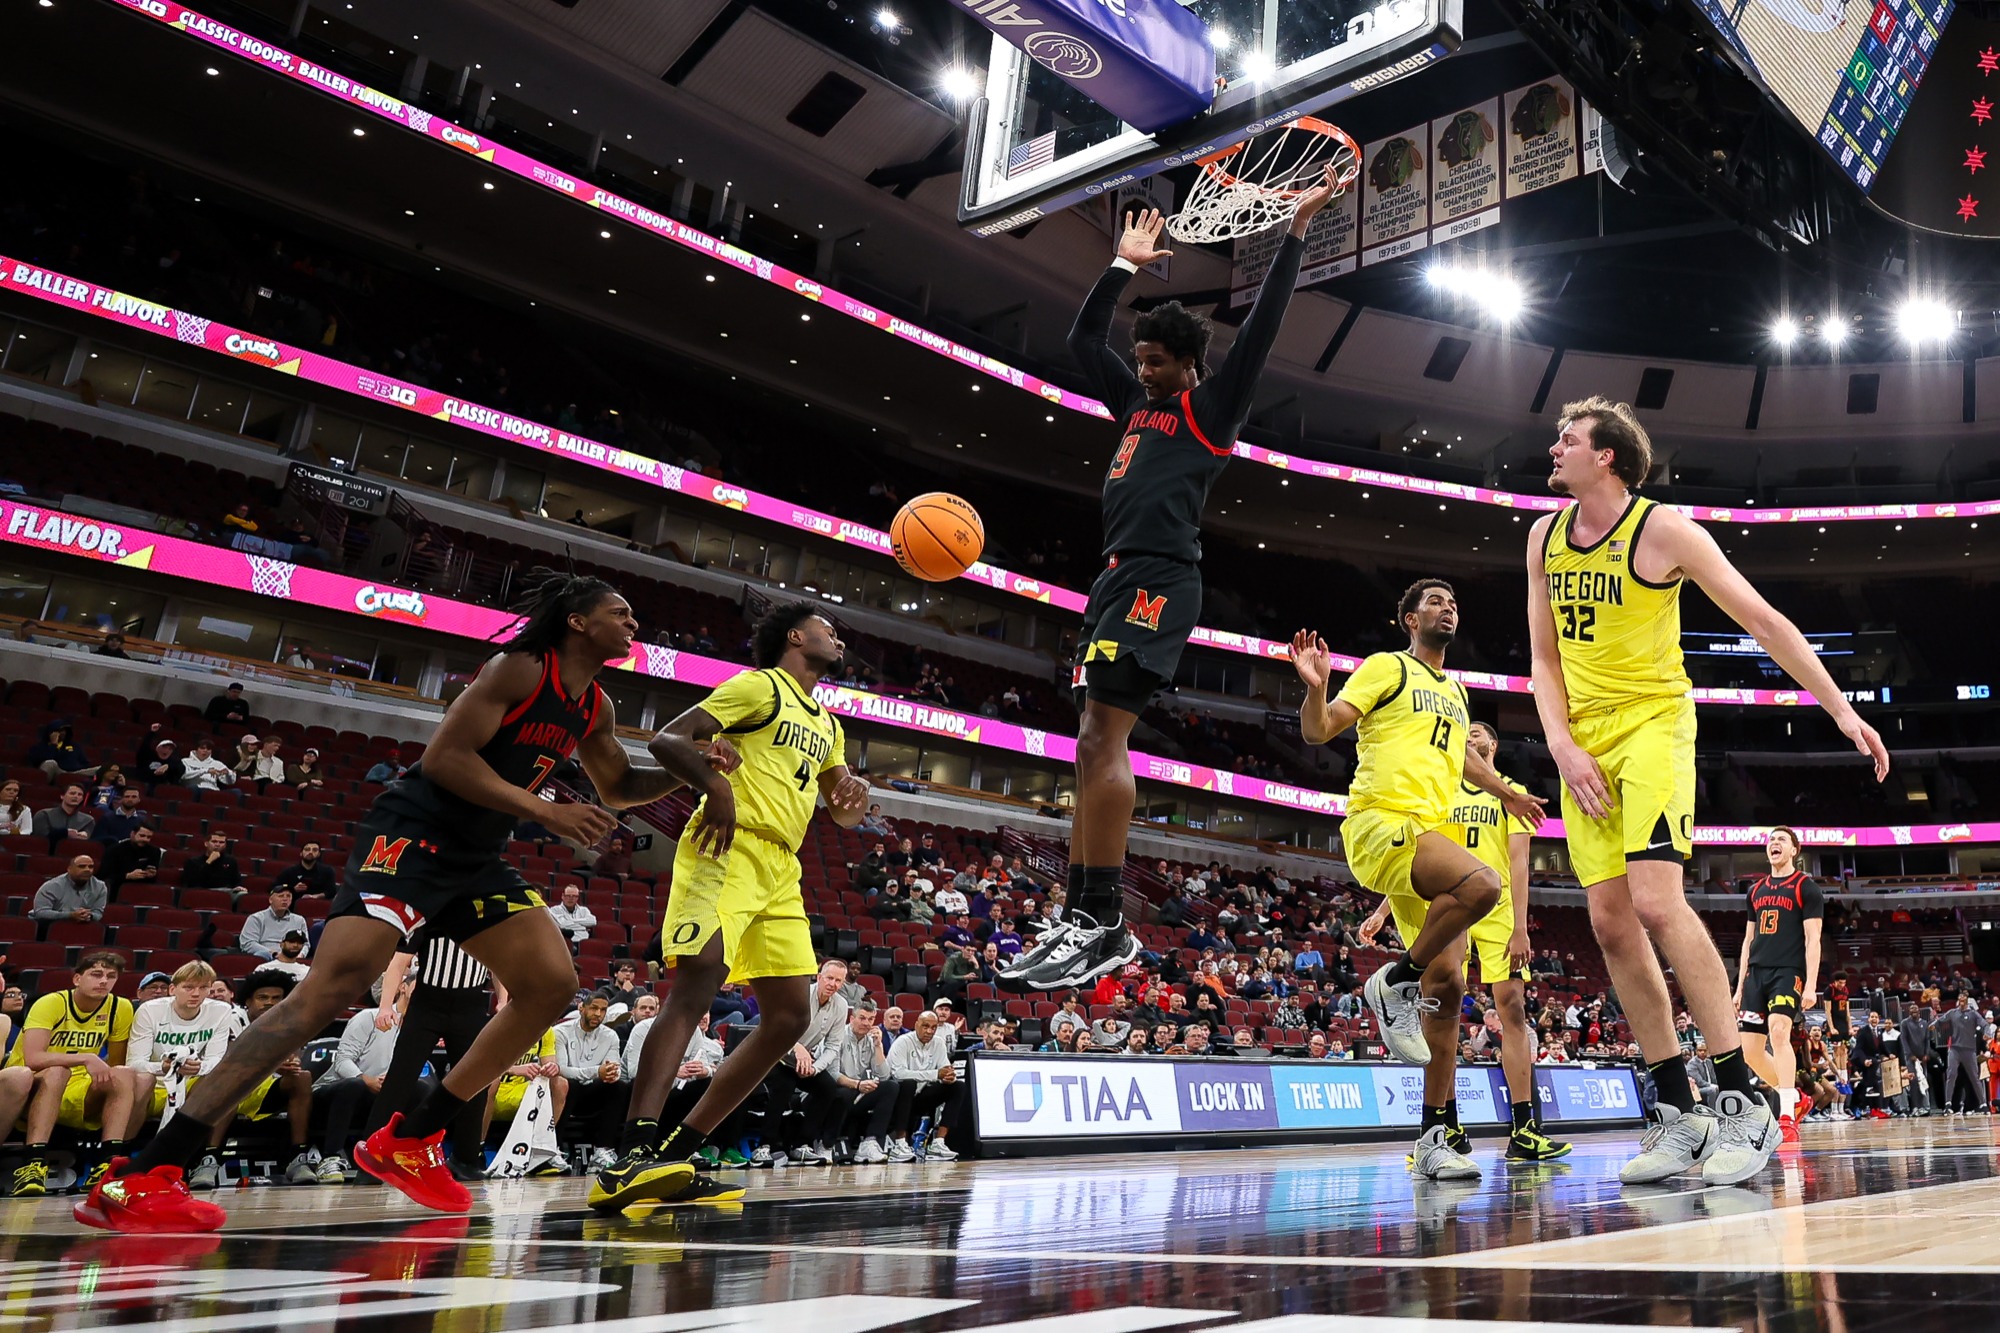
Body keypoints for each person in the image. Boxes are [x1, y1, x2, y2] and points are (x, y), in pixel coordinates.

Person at [77, 568, 726, 1233]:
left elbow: (617, 785)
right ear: (579, 621)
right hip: (413, 835)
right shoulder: (519, 668)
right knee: (331, 989)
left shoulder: (595, 705)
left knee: (549, 983)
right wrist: (545, 809)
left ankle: (412, 1138)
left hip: (474, 857)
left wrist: (693, 767)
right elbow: (445, 758)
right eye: (620, 611)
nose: (633, 622)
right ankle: (146, 1171)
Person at [1525, 397, 1886, 1187]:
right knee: (1610, 921)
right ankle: (1676, 1110)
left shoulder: (1665, 531)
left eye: (1569, 439)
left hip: (1654, 725)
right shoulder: (1543, 536)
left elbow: (1763, 619)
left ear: (1608, 458)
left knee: (1656, 901)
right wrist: (1561, 743)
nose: (1554, 448)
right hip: (1581, 742)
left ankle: (1742, 1097)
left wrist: (1840, 707)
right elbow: (1544, 660)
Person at [1005, 186, 1338, 994]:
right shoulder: (1131, 403)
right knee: (1086, 745)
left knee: (1099, 742)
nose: (1145, 370)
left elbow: (1259, 333)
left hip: (1160, 579)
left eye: (1158, 361)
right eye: (1143, 359)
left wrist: (1291, 236)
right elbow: (1086, 335)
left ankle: (1101, 920)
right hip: (1114, 578)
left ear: (1189, 365)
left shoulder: (1208, 409)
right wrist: (1121, 265)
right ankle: (1085, 917)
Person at [590, 604, 869, 1211]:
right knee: (696, 986)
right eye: (827, 628)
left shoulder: (829, 724)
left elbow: (842, 810)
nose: (837, 637)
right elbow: (668, 739)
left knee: (791, 1015)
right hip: (727, 845)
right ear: (796, 638)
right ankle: (631, 1153)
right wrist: (715, 785)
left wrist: (857, 794)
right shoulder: (759, 687)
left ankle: (676, 1154)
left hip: (781, 867)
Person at [1293, 581, 1544, 1181]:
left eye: (1453, 600)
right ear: (1408, 619)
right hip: (1384, 823)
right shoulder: (1387, 667)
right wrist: (1317, 688)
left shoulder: (1456, 692)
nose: (1448, 606)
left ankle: (1434, 1135)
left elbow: (1462, 761)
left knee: (1451, 989)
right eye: (1434, 601)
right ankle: (1393, 982)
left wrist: (1509, 791)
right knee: (1484, 886)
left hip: (1428, 842)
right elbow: (1319, 730)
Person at [1440, 720, 1571, 1162]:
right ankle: (1446, 1126)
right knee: (1443, 1013)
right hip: (1453, 904)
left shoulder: (1511, 791)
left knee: (1511, 1010)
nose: (1470, 736)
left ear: (1493, 745)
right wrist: (1384, 910)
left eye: (1477, 732)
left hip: (1497, 910)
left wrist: (1520, 927)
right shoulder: (1443, 788)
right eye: (1465, 733)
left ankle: (1523, 1127)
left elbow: (1519, 865)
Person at [0, 952, 147, 1196]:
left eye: (111, 976)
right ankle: (33, 1164)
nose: (104, 981)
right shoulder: (51, 1003)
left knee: (125, 1073)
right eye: (96, 974)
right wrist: (86, 1057)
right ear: (77, 978)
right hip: (31, 1085)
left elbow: (117, 1063)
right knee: (57, 1072)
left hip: (79, 1087)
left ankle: (108, 1163)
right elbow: (34, 1059)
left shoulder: (120, 1007)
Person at [1732, 826, 1823, 1147]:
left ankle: (1786, 1117)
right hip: (1756, 973)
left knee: (1780, 1031)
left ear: (1794, 850)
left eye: (1781, 840)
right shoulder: (1755, 890)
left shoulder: (1806, 887)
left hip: (1788, 971)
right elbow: (1747, 940)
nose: (1774, 843)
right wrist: (1740, 986)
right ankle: (1795, 1097)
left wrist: (1811, 984)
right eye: (1771, 840)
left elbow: (1813, 940)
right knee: (1750, 1052)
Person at [33, 855, 107, 923]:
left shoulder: (100, 887)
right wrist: (70, 915)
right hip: (49, 925)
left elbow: (98, 913)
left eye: (91, 867)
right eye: (81, 866)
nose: (87, 870)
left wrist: (89, 915)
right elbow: (40, 912)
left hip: (81, 926)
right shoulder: (53, 885)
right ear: (69, 869)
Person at [239, 886, 307, 959]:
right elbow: (247, 943)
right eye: (281, 896)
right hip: (267, 957)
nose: (285, 899)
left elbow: (306, 944)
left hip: (292, 958)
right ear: (271, 900)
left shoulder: (299, 920)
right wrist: (273, 953)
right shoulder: (256, 918)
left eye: (288, 896)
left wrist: (301, 955)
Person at [31, 783, 96, 852]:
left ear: (82, 799)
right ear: (62, 796)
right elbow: (41, 840)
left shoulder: (89, 820)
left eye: (79, 795)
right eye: (72, 793)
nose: (76, 796)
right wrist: (65, 833)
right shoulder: (44, 814)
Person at [181, 831, 244, 896]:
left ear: (225, 845)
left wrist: (239, 887)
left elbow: (237, 880)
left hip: (226, 892)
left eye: (221, 842)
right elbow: (192, 882)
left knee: (242, 894)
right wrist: (209, 861)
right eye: (214, 842)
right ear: (206, 843)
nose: (217, 844)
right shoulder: (193, 861)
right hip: (202, 892)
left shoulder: (231, 861)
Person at [269, 840, 338, 900]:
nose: (310, 852)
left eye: (314, 850)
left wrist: (315, 897)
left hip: (317, 906)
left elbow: (332, 891)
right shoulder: (289, 871)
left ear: (319, 854)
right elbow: (274, 888)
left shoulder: (327, 871)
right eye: (307, 849)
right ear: (301, 853)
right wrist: (293, 889)